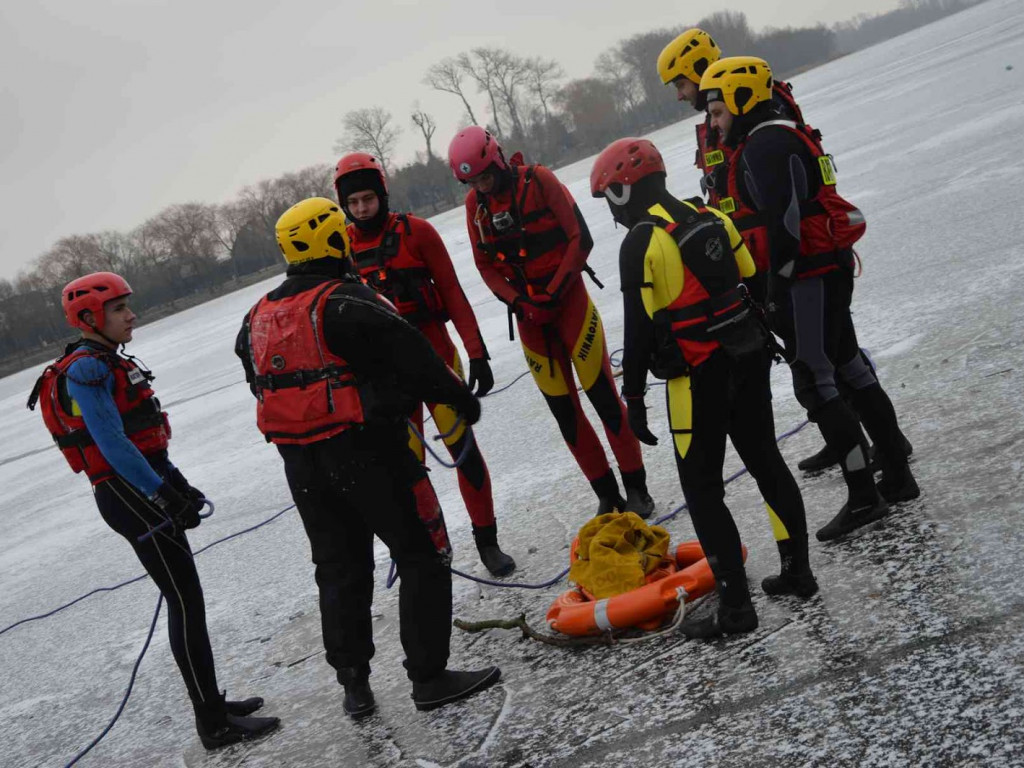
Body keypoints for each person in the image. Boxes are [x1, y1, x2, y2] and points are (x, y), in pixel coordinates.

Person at [235, 197, 501, 718]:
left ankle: (355, 686)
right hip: (369, 455)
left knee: (339, 568)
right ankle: (428, 677)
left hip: (302, 466)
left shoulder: (256, 317)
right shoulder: (351, 300)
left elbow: (257, 379)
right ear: (334, 241)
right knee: (422, 553)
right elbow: (421, 363)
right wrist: (463, 403)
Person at [27, 272, 279, 750]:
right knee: (185, 602)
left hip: (141, 488)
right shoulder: (86, 368)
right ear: (89, 318)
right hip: (128, 496)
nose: (131, 315)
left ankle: (214, 704)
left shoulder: (106, 360)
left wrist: (175, 482)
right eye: (119, 309)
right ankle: (213, 724)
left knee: (190, 600)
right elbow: (113, 444)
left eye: (127, 306)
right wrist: (161, 494)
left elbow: (145, 440)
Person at [591, 137, 817, 638]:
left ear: (624, 192)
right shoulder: (712, 215)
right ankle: (798, 572)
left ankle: (737, 609)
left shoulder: (640, 242)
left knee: (703, 491)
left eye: (609, 197)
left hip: (696, 380)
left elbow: (639, 330)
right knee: (766, 462)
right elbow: (753, 281)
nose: (609, 210)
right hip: (748, 357)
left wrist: (633, 401)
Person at [659, 30, 913, 474]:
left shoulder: (763, 115)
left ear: (701, 73)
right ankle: (868, 443)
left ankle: (871, 451)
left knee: (820, 365)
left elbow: (782, 199)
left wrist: (778, 276)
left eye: (682, 84)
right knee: (834, 358)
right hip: (769, 252)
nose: (682, 96)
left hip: (795, 258)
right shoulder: (725, 119)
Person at [698, 57, 919, 541]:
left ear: (739, 100)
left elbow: (785, 222)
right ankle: (898, 474)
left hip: (808, 278)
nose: (713, 125)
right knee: (849, 367)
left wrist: (776, 288)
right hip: (825, 270)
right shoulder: (780, 133)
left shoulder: (765, 145)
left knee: (816, 382)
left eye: (716, 112)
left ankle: (865, 494)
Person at [447, 126, 655, 518]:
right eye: (473, 180)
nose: (482, 185)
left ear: (497, 160)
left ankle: (636, 487)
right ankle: (607, 494)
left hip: (569, 301)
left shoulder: (539, 180)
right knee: (565, 412)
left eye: (485, 175)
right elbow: (486, 267)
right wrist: (520, 301)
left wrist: (555, 291)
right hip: (530, 318)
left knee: (605, 399)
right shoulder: (476, 207)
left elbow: (581, 237)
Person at [333, 152, 514, 577]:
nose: (362, 209)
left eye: (368, 199)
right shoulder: (340, 249)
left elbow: (452, 292)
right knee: (408, 470)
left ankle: (487, 542)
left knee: (464, 453)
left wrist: (476, 352)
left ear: (382, 195)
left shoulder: (419, 233)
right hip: (386, 381)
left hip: (436, 363)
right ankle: (431, 550)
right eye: (353, 202)